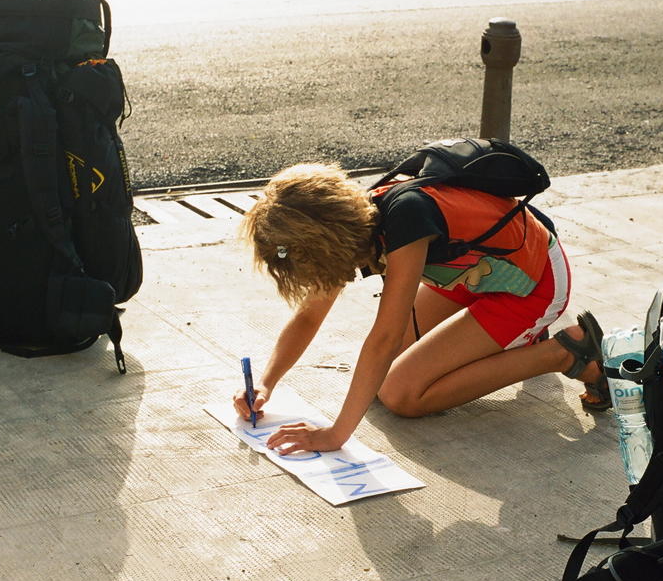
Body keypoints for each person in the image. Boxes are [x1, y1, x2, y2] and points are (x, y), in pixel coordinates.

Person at [232, 162, 609, 454]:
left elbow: (384, 337)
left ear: (323, 243)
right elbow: (310, 314)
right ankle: (518, 339)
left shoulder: (405, 221)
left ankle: (565, 353)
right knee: (378, 380)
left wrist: (335, 434)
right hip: (476, 276)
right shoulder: (354, 221)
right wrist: (266, 383)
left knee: (401, 393)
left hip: (532, 282)